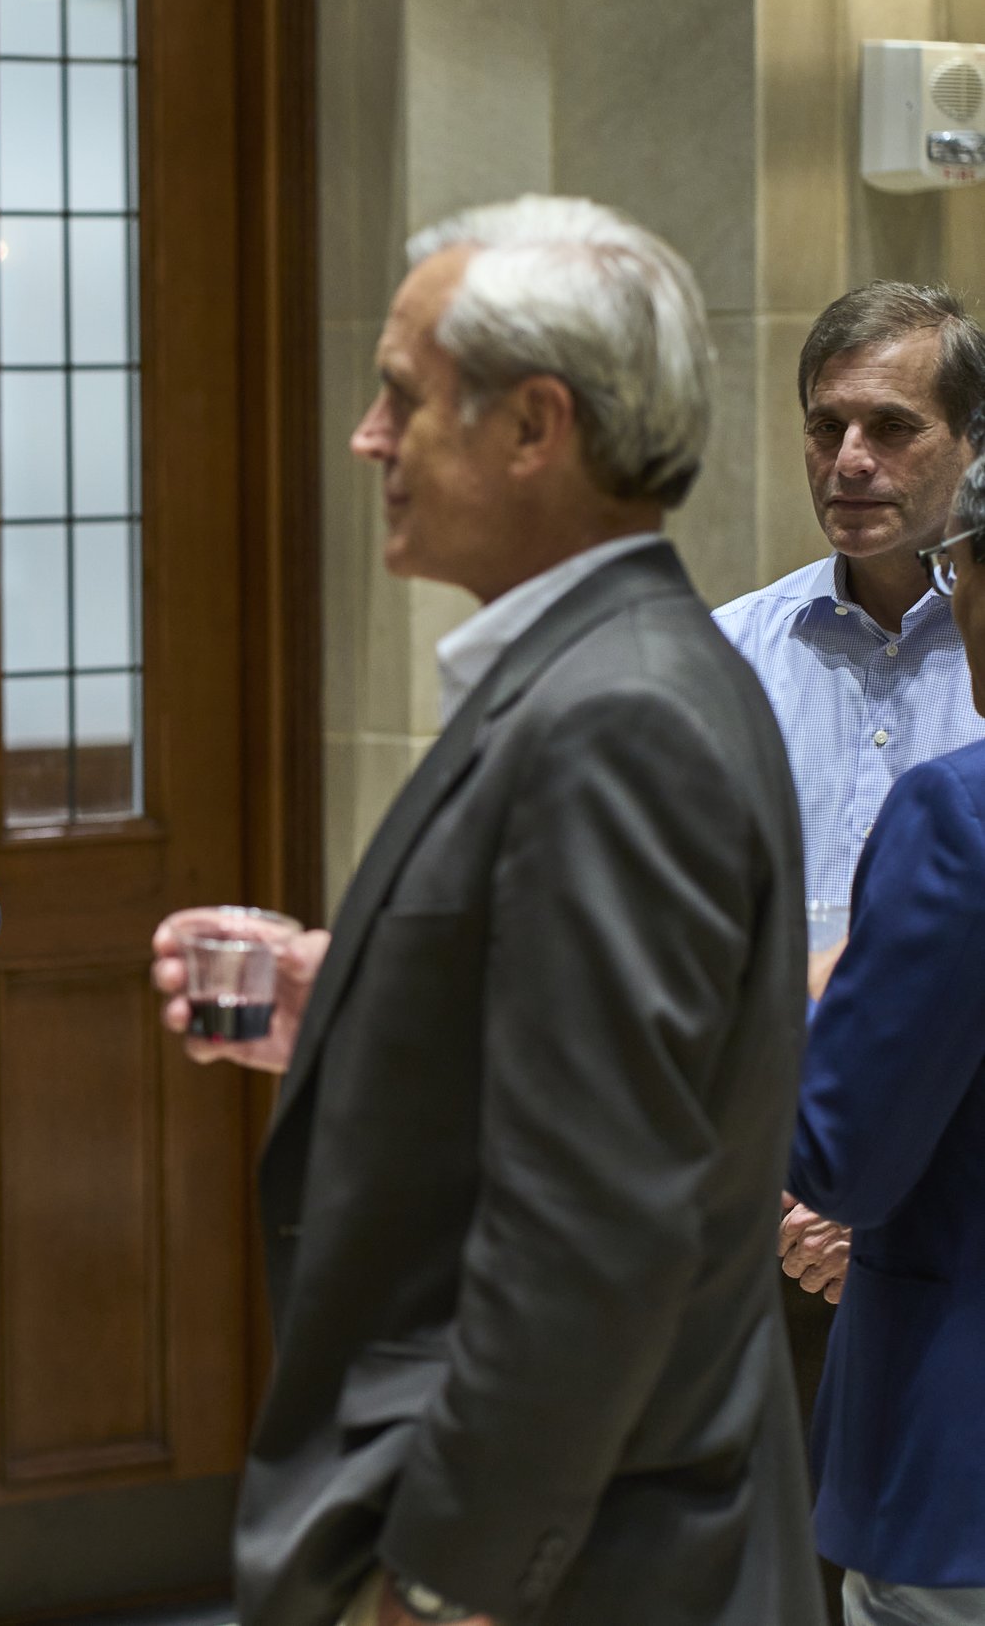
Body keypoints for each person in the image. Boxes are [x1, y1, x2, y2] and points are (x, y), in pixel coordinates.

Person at [156, 196, 823, 1626]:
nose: (368, 437)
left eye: (402, 396)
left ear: (535, 427)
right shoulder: (621, 667)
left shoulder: (618, 712)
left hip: (578, 1563)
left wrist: (444, 1584)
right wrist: (358, 997)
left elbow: (594, 1229)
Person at [712, 288, 985, 1602]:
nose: (851, 460)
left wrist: (859, 1190)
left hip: (946, 1226)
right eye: (825, 426)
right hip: (748, 1216)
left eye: (892, 424)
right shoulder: (730, 653)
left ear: (972, 442)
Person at [787, 456, 985, 1626]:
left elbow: (842, 1152)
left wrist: (799, 1000)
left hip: (959, 1455)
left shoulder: (958, 815)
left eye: (957, 566)